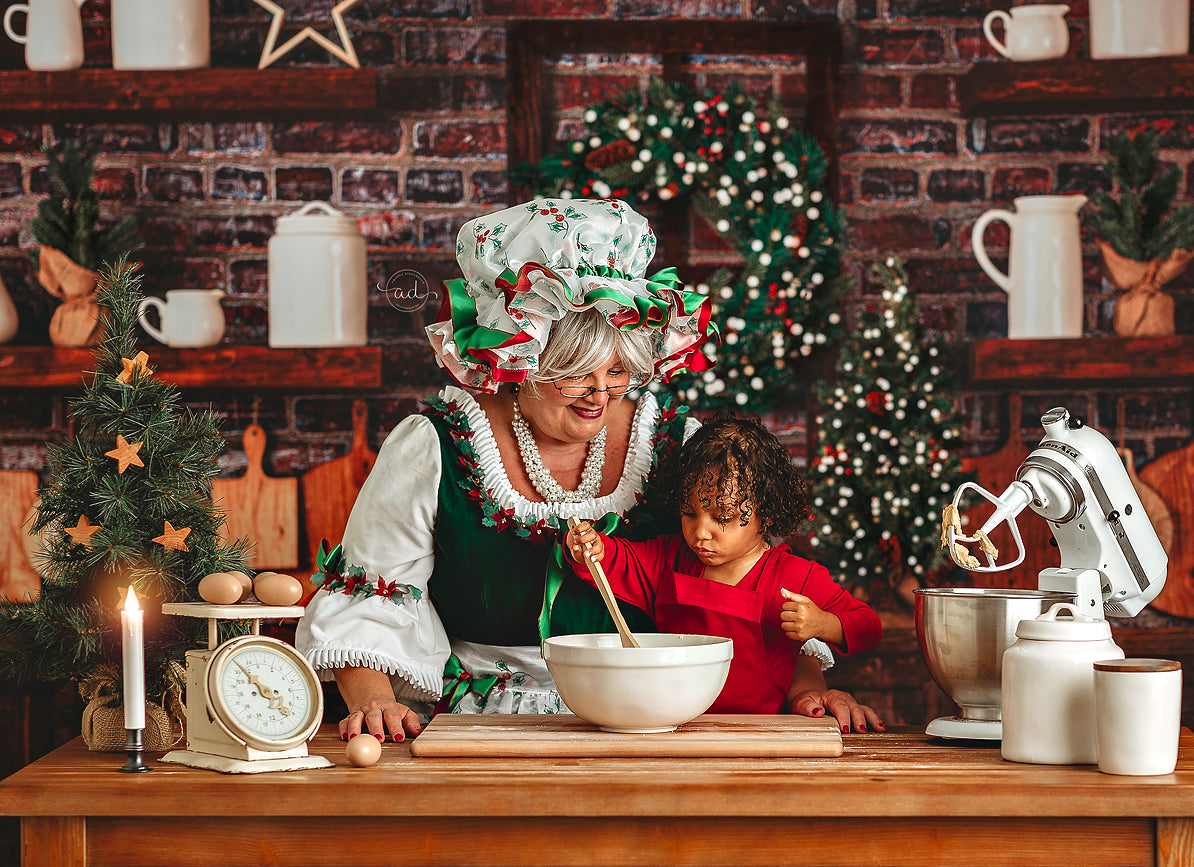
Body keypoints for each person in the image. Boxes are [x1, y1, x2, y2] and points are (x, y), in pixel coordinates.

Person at [296, 198, 875, 742]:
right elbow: (368, 597)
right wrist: (372, 700)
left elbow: (757, 587)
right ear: (519, 356)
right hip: (485, 724)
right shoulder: (435, 445)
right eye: (576, 369)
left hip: (652, 718)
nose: (602, 393)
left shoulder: (679, 443)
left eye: (621, 369)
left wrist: (810, 691)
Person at [565, 415, 886, 731]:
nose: (700, 532)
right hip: (672, 729)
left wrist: (824, 623)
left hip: (758, 734)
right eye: (690, 513)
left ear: (766, 512)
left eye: (723, 517)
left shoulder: (796, 576)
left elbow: (868, 626)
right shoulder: (670, 557)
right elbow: (621, 561)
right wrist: (592, 548)